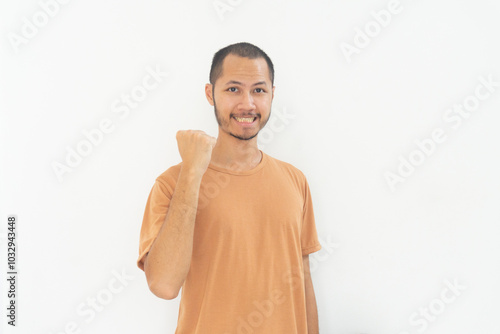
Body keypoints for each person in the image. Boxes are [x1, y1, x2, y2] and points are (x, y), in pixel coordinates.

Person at [137, 42, 322, 333]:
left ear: (273, 94)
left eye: (258, 90)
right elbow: (163, 285)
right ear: (211, 94)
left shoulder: (294, 180)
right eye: (233, 89)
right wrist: (192, 172)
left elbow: (303, 277)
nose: (247, 103)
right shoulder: (173, 183)